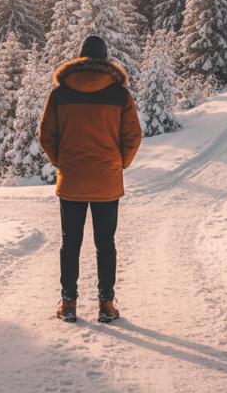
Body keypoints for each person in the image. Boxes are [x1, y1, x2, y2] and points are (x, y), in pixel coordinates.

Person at [39, 34, 142, 324]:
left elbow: (46, 134)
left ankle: (69, 304)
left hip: (72, 180)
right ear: (105, 59)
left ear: (80, 58)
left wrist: (63, 163)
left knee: (70, 243)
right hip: (106, 181)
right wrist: (118, 164)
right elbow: (133, 136)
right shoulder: (119, 94)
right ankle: (106, 305)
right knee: (105, 244)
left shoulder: (60, 92)